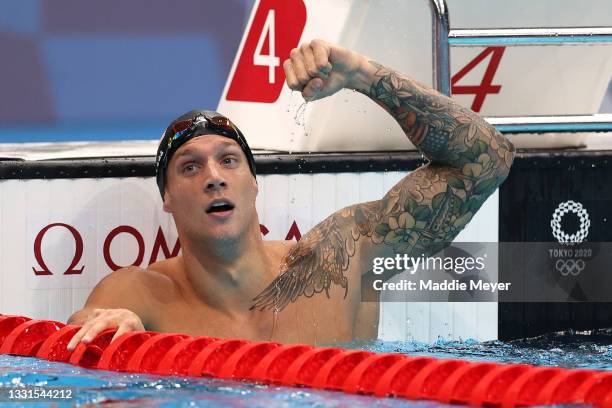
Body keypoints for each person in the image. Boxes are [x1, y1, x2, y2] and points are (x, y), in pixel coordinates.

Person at [66, 39, 515, 350]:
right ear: (167, 198)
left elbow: (486, 159)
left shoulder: (339, 259)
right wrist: (110, 336)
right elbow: (82, 338)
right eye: (190, 167)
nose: (214, 177)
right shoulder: (141, 295)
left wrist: (363, 74)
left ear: (253, 182)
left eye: (229, 160)